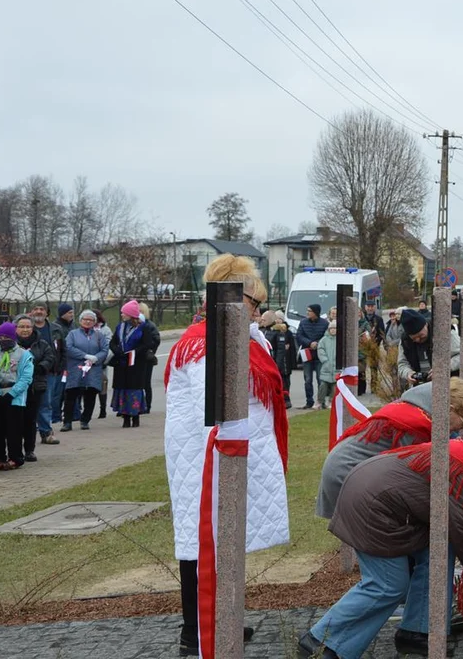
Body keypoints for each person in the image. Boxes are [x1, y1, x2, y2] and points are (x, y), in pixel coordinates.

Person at [300, 419, 463, 659]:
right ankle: (319, 643)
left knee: (440, 549)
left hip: (383, 499)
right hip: (373, 505)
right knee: (387, 584)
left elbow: (460, 527)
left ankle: (418, 632)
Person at [164, 254, 289, 656]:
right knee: (200, 539)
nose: (258, 312)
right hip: (204, 456)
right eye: (254, 303)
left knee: (224, 536)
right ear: (235, 297)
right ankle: (195, 631)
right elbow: (220, 402)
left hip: (224, 453)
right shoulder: (206, 342)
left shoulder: (231, 337)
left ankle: (225, 615)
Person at [315, 377, 463, 521]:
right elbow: (411, 477)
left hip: (355, 472)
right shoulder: (414, 426)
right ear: (449, 410)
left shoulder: (418, 408)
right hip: (345, 475)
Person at [109, 300, 158, 428]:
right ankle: (125, 417)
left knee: (134, 390)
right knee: (123, 389)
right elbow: (113, 342)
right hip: (122, 364)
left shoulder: (143, 328)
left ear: (131, 314)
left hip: (136, 364)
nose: (122, 315)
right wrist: (117, 350)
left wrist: (134, 352)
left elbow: (148, 344)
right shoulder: (120, 327)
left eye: (124, 313)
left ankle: (135, 417)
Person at [14, 314, 56, 459]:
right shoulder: (11, 344)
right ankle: (15, 450)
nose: (25, 330)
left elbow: (50, 357)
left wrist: (39, 368)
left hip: (34, 387)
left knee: (30, 420)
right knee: (15, 420)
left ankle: (29, 450)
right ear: (16, 328)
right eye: (21, 327)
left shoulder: (42, 343)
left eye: (28, 327)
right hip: (15, 388)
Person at [0, 322, 34, 470]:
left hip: (15, 396)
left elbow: (26, 378)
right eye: (0, 337)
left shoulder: (24, 355)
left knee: (14, 429)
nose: (3, 340)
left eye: (6, 337)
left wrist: (12, 394)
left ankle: (15, 457)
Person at [62, 310, 109, 431]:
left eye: (91, 320)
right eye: (85, 319)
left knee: (90, 395)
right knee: (71, 395)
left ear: (94, 322)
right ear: (80, 320)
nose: (87, 322)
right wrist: (84, 356)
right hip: (75, 369)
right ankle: (67, 422)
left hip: (93, 370)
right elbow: (68, 347)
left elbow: (104, 350)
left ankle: (85, 420)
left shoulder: (99, 335)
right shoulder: (73, 334)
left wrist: (96, 358)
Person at [397, 309, 460, 386]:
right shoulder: (405, 340)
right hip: (420, 387)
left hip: (450, 384)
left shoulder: (444, 332)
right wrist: (408, 373)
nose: (418, 340)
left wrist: (444, 367)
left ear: (425, 325)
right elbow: (402, 364)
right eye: (413, 338)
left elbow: (462, 356)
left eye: (421, 336)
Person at [29, 301, 64, 441]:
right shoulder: (26, 327)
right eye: (36, 309)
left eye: (42, 309)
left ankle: (46, 432)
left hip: (48, 372)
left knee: (45, 403)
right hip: (27, 372)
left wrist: (60, 367)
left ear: (46, 312)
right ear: (31, 311)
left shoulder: (56, 329)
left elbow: (62, 350)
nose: (39, 311)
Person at [296, 303, 330, 409]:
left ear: (316, 312)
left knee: (321, 379)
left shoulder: (324, 323)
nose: (307, 313)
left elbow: (327, 336)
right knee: (307, 379)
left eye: (309, 311)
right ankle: (309, 401)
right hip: (307, 354)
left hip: (319, 355)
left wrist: (318, 343)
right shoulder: (303, 322)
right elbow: (299, 336)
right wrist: (310, 343)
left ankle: (321, 401)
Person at [261, 310, 297, 409]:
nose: (262, 321)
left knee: (281, 382)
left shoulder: (278, 333)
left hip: (274, 363)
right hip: (264, 363)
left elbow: (281, 351)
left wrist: (277, 364)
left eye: (264, 320)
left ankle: (286, 400)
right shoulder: (262, 331)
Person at [138, 302, 161, 415]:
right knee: (138, 383)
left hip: (147, 358)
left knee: (146, 383)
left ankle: (148, 406)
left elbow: (156, 340)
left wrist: (150, 351)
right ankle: (138, 405)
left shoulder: (149, 325)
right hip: (138, 358)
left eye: (140, 312)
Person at [93, 309, 113, 420]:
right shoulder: (86, 330)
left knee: (102, 387)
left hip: (101, 363)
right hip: (88, 363)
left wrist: (103, 361)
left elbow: (109, 347)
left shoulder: (105, 330)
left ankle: (103, 409)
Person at [317, 320, 338, 410]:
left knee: (334, 387)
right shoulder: (324, 340)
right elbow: (320, 349)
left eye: (335, 328)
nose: (333, 330)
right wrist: (324, 360)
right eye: (331, 328)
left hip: (336, 367)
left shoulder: (340, 340)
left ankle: (331, 401)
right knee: (323, 385)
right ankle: (320, 401)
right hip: (326, 367)